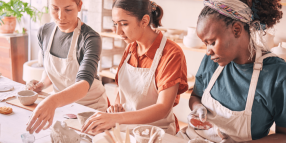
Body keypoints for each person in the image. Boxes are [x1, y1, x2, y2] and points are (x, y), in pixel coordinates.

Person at [178, 0, 286, 142]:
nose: (208, 51)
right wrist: (197, 107)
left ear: (236, 30)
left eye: (212, 43)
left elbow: (283, 136)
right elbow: (196, 96)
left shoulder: (277, 74)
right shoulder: (212, 60)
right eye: (205, 44)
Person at [81, 0, 188, 135]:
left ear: (144, 21)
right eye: (115, 24)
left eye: (124, 24)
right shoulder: (131, 48)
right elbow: (122, 89)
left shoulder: (172, 54)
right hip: (126, 127)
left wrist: (116, 118)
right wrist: (116, 107)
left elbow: (163, 108)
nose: (118, 31)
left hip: (157, 133)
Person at [26, 0, 109, 134]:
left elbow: (83, 85)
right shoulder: (44, 32)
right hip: (62, 107)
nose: (60, 16)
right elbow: (54, 71)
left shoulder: (90, 38)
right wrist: (42, 84)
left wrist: (52, 101)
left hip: (90, 109)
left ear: (79, 6)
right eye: (55, 8)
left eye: (68, 9)